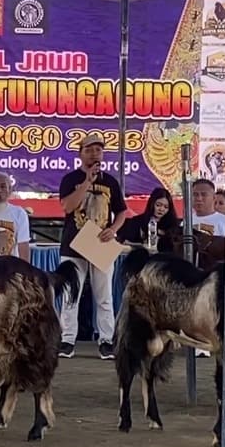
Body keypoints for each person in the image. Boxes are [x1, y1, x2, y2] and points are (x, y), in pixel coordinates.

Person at [58, 133, 127, 360]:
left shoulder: (110, 182)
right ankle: (67, 340)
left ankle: (106, 340)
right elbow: (68, 207)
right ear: (80, 154)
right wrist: (87, 181)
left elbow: (122, 211)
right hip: (74, 245)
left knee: (104, 295)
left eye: (98, 150)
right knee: (71, 294)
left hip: (100, 242)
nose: (94, 154)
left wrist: (114, 229)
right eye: (89, 150)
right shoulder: (70, 179)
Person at [119, 186, 180, 254]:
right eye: (158, 205)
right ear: (152, 203)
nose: (161, 209)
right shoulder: (136, 222)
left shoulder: (173, 225)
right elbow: (125, 241)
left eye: (166, 207)